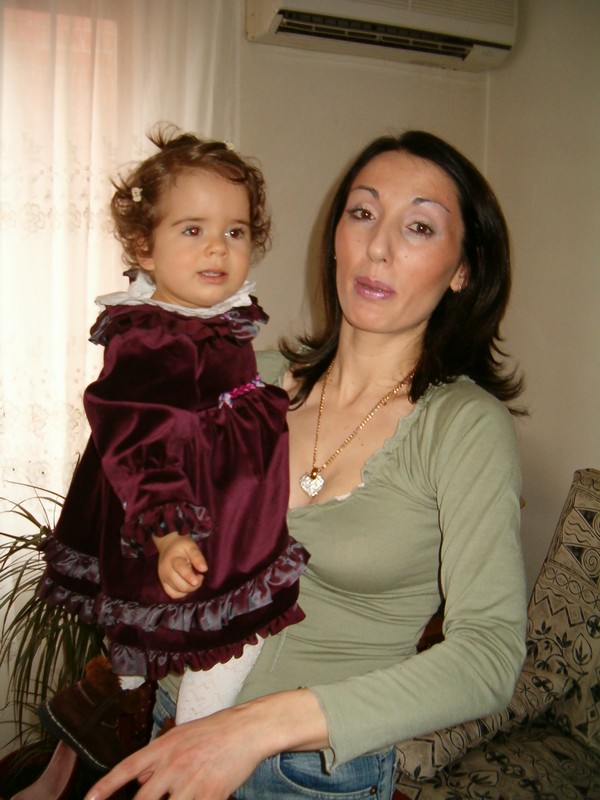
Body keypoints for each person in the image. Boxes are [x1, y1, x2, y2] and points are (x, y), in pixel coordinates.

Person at [84, 129, 528, 800]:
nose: (378, 247)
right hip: (178, 729)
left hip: (312, 775)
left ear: (463, 269)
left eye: (418, 227)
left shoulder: (464, 428)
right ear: (336, 238)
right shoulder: (245, 379)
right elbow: (127, 480)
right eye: (363, 213)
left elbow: (489, 656)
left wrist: (250, 730)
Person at [36, 125, 309, 767]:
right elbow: (135, 433)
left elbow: (227, 395)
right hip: (182, 506)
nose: (218, 247)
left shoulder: (209, 317)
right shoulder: (152, 336)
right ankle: (189, 745)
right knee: (234, 628)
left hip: (214, 493)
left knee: (157, 610)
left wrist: (275, 394)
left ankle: (122, 691)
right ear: (145, 247)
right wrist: (167, 531)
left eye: (235, 231)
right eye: (192, 230)